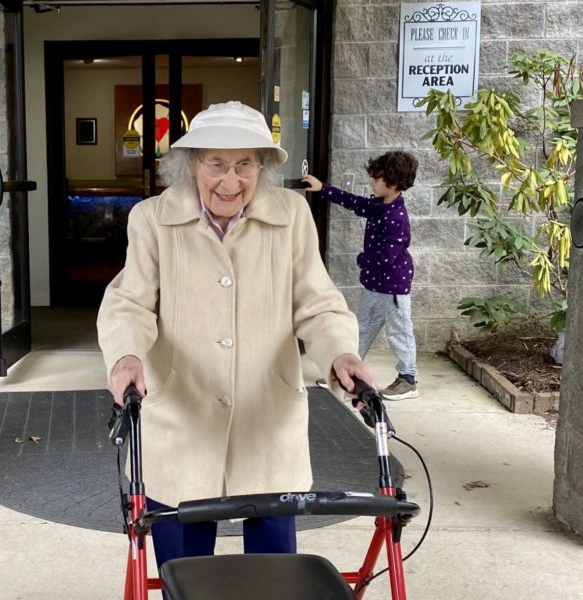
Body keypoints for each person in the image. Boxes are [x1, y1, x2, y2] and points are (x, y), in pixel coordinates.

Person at [97, 101, 375, 573]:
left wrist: (340, 353)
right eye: (216, 164)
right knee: (183, 571)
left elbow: (317, 302)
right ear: (191, 166)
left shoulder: (291, 215)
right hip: (180, 411)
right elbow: (130, 303)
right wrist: (126, 356)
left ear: (262, 168)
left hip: (267, 412)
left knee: (273, 572)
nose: (231, 180)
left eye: (245, 163)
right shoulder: (152, 219)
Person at [302, 151, 420, 400]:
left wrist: (361, 260)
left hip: (393, 288)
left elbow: (387, 257)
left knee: (399, 331)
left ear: (393, 184)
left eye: (376, 179)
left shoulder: (396, 216)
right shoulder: (379, 206)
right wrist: (323, 188)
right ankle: (348, 372)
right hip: (374, 285)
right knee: (361, 328)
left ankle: (408, 379)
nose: (371, 183)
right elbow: (355, 203)